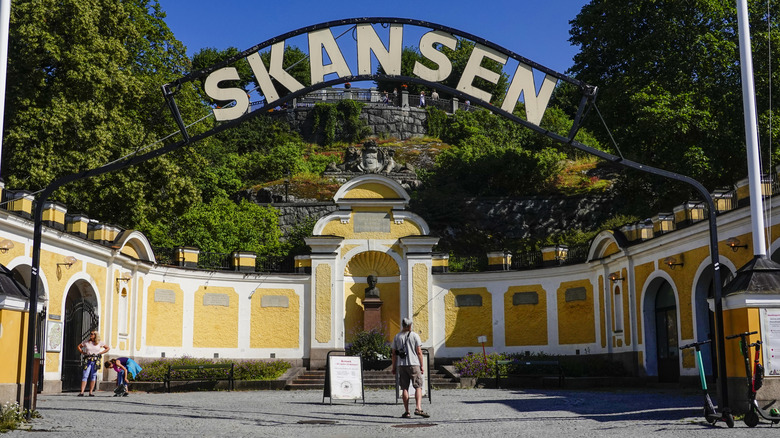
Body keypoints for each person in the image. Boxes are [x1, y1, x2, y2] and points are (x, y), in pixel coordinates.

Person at [392, 317, 429, 418]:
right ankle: (418, 408)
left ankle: (407, 411)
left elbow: (394, 354)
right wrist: (422, 365)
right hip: (413, 364)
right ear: (409, 325)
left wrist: (394, 367)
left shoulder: (397, 337)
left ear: (402, 325)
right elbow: (419, 352)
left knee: (404, 388)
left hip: (401, 365)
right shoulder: (414, 336)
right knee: (418, 386)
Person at [77, 330, 110, 396]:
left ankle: (91, 392)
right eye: (90, 334)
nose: (91, 335)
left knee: (93, 376)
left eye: (92, 334)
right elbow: (79, 346)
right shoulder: (86, 342)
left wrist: (100, 353)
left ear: (95, 335)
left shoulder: (99, 342)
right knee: (85, 375)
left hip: (95, 360)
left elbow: (107, 348)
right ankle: (82, 392)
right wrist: (82, 352)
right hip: (88, 359)